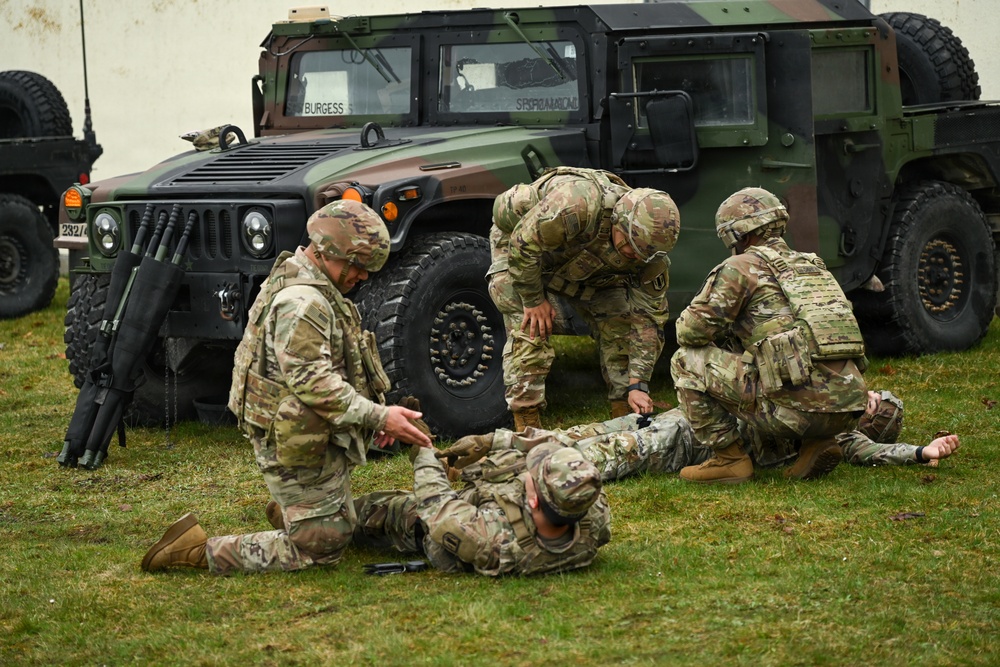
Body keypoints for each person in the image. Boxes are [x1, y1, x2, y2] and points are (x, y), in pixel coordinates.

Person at [141, 200, 433, 574]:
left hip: (307, 427)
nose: (362, 276)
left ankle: (303, 513)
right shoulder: (303, 302)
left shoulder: (305, 279)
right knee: (321, 549)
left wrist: (372, 417)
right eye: (357, 265)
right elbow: (314, 383)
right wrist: (380, 417)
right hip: (294, 435)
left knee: (337, 523)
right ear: (327, 251)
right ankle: (193, 550)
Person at [669, 186, 870, 484]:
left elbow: (691, 332)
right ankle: (817, 442)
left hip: (794, 413)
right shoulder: (814, 266)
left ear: (739, 235)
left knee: (685, 360)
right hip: (849, 408)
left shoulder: (740, 267)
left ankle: (729, 459)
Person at [488, 167, 680, 431]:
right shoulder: (577, 204)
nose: (635, 257)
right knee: (531, 326)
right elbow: (524, 244)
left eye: (642, 255)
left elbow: (648, 320)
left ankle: (624, 414)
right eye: (630, 247)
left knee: (621, 320)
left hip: (587, 263)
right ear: (618, 222)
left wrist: (638, 383)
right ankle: (527, 421)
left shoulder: (648, 255)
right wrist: (533, 300)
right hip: (521, 249)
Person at [439, 390, 959, 482]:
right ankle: (490, 450)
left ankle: (486, 461)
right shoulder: (817, 399)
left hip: (690, 437)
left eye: (874, 405)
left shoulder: (840, 437)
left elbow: (879, 453)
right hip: (685, 419)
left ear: (868, 422)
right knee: (581, 437)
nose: (868, 395)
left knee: (591, 452)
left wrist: (920, 451)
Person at [349, 441, 611, 577]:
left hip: (436, 528)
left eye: (532, 476)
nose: (527, 474)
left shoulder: (490, 537)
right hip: (486, 506)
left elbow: (436, 504)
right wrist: (489, 442)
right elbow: (564, 455)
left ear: (533, 501)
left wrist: (425, 452)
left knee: (378, 513)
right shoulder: (590, 508)